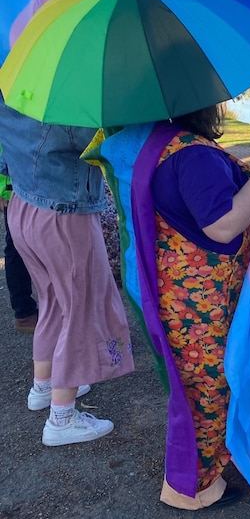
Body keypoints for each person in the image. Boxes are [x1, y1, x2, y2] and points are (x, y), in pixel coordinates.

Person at [111, 106, 250, 510]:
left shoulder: (155, 142)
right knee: (209, 387)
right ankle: (191, 489)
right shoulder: (193, 154)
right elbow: (223, 225)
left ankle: (206, 467)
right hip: (201, 302)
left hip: (178, 292)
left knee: (194, 385)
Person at [0, 92, 134, 446]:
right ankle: (62, 417)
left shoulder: (12, 85)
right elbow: (97, 143)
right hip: (64, 211)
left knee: (54, 302)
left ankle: (44, 386)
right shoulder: (66, 96)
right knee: (82, 308)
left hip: (24, 206)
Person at [0, 150, 38, 332]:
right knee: (16, 247)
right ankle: (24, 313)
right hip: (13, 184)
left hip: (32, 179)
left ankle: (29, 312)